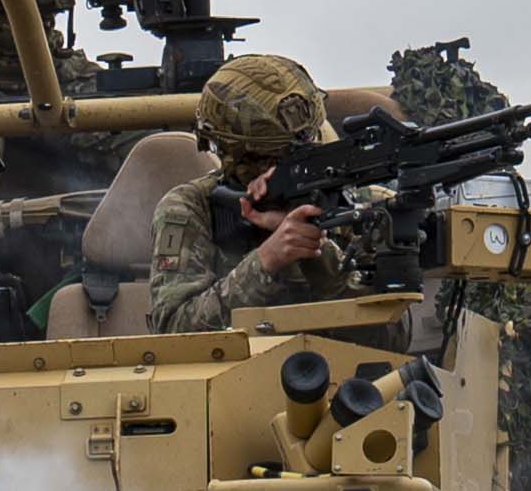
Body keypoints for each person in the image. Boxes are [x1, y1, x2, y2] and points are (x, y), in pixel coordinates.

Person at [142, 53, 391, 333]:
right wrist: (265, 261)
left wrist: (320, 250)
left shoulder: (362, 205)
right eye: (274, 159)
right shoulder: (191, 208)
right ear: (235, 157)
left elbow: (392, 337)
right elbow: (174, 333)